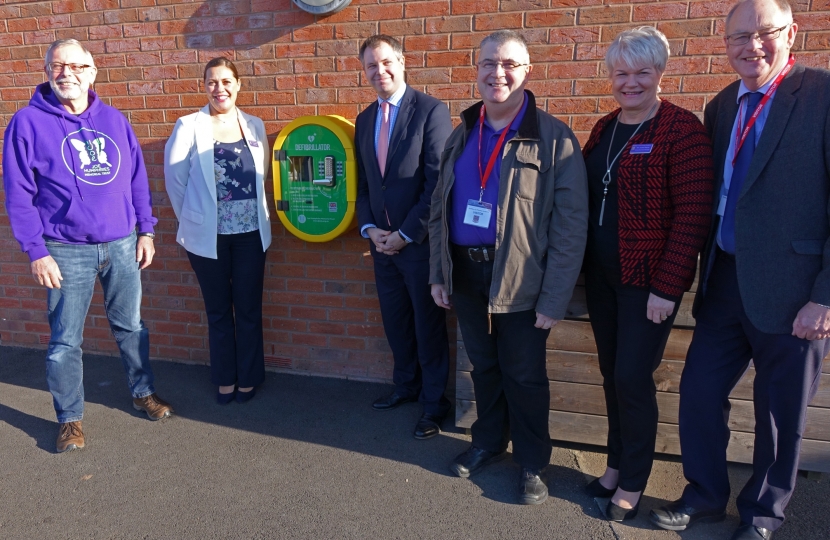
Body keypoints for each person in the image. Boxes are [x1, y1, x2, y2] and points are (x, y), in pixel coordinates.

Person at [649, 1, 830, 539]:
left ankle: (763, 515)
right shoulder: (723, 104)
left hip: (795, 289)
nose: (751, 46)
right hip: (724, 278)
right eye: (738, 37)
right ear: (723, 44)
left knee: (779, 413)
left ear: (791, 33)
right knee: (699, 392)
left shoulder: (821, 95)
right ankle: (705, 494)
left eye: (765, 33)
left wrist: (825, 295)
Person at [429, 30, 588, 504]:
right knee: (484, 367)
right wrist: (440, 273)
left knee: (525, 374)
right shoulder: (463, 133)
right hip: (466, 272)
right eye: (488, 64)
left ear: (527, 72)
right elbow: (439, 208)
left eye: (509, 64)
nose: (498, 73)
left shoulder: (554, 139)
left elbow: (570, 227)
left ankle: (533, 463)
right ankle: (487, 442)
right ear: (475, 69)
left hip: (522, 279)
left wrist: (554, 297)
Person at [2, 39, 173, 453]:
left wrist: (146, 230)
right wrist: (36, 251)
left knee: (131, 326)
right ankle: (69, 420)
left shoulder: (114, 121)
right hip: (63, 250)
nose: (68, 74)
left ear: (93, 73)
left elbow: (136, 180)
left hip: (121, 244)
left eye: (77, 66)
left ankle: (142, 392)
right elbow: (18, 194)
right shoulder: (26, 123)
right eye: (58, 66)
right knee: (65, 340)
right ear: (47, 71)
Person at [580, 27, 714, 521]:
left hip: (648, 283)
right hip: (601, 279)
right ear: (610, 77)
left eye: (642, 72)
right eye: (621, 73)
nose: (630, 82)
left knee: (633, 379)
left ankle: (633, 480)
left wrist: (667, 286)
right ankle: (615, 466)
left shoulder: (682, 130)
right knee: (611, 376)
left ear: (660, 73)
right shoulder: (604, 127)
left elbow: (694, 216)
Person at [355, 35, 454, 439]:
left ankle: (434, 403)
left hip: (419, 247)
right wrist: (371, 230)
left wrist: (406, 234)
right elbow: (363, 184)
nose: (380, 72)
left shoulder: (431, 111)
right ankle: (406, 386)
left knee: (428, 327)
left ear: (401, 61)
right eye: (371, 67)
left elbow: (437, 184)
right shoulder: (364, 119)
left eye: (386, 62)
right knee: (396, 323)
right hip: (381, 247)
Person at [164, 58, 271, 405]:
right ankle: (225, 377)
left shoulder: (254, 126)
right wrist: (194, 218)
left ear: (239, 85)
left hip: (251, 234)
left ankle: (249, 377)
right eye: (212, 82)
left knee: (249, 308)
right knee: (219, 310)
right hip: (207, 237)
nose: (219, 89)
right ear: (204, 86)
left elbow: (261, 178)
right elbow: (175, 182)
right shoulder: (188, 125)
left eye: (227, 81)